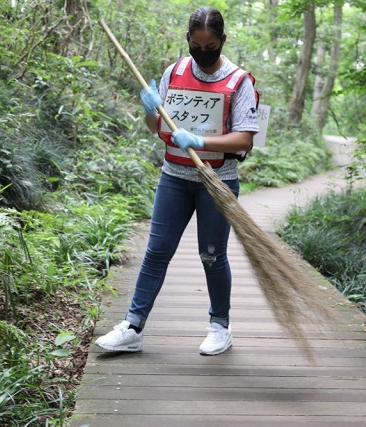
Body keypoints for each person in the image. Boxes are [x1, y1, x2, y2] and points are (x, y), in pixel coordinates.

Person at [95, 6, 259, 356]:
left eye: (210, 46)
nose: (203, 53)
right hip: (174, 176)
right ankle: (133, 327)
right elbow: (158, 128)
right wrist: (151, 107)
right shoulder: (176, 71)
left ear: (222, 41)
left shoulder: (238, 81)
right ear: (188, 40)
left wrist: (201, 141)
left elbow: (244, 139)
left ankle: (220, 326)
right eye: (196, 46)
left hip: (217, 180)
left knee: (212, 256)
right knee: (156, 251)